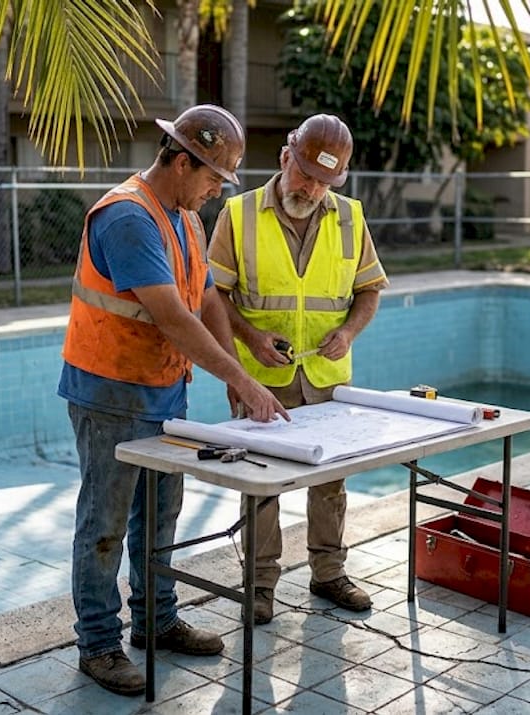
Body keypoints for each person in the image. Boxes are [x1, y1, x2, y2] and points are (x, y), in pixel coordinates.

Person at [59, 104, 289, 696]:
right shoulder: (127, 217)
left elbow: (205, 299)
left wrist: (235, 369)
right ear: (182, 162)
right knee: (105, 522)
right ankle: (98, 645)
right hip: (110, 393)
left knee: (161, 513)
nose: (219, 191)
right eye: (214, 176)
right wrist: (244, 383)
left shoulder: (184, 217)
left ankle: (156, 621)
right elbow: (173, 318)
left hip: (163, 390)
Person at [207, 113, 388, 624]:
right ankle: (260, 585)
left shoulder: (350, 217)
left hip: (329, 384)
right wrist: (250, 340)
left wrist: (348, 333)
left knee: (330, 484)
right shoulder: (238, 214)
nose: (310, 189)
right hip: (261, 381)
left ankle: (329, 574)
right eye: (305, 174)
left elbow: (369, 290)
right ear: (285, 157)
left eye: (323, 182)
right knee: (261, 486)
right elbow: (212, 297)